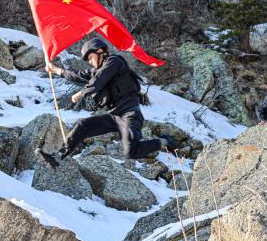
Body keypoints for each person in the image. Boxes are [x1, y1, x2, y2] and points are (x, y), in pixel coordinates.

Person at [41, 38, 174, 166]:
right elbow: (79, 75)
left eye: (90, 58)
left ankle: (164, 141)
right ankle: (58, 157)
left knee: (130, 153)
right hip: (114, 116)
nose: (90, 62)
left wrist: (82, 93)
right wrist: (56, 70)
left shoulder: (115, 62)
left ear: (99, 51)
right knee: (82, 125)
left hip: (129, 114)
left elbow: (99, 80)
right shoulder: (97, 70)